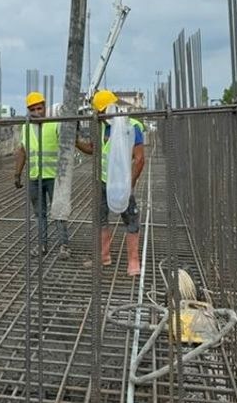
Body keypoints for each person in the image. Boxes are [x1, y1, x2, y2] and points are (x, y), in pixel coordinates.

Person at [76, 89, 146, 276]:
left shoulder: (131, 126)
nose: (96, 115)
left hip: (121, 183)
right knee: (101, 218)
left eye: (98, 111)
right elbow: (93, 149)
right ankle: (104, 256)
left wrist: (129, 184)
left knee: (130, 219)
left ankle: (133, 262)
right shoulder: (100, 127)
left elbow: (139, 159)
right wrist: (75, 142)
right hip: (103, 181)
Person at [12, 92, 70, 259]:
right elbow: (23, 151)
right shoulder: (26, 127)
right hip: (35, 177)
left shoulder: (55, 124)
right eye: (33, 109)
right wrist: (17, 174)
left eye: (40, 108)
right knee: (40, 214)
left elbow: (67, 146)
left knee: (58, 212)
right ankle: (42, 245)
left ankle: (64, 245)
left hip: (54, 177)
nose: (37, 112)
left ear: (45, 107)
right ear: (28, 110)